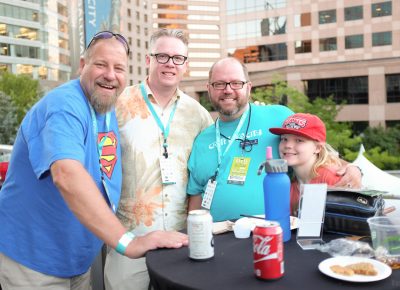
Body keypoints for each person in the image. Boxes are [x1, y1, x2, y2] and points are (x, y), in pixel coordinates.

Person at [0, 31, 187, 290]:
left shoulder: (106, 106)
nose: (110, 75)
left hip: (77, 260)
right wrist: (127, 242)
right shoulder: (64, 105)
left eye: (119, 68)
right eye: (101, 64)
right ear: (82, 65)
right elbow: (67, 174)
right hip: (35, 261)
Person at [187, 57, 362, 222]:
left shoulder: (278, 116)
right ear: (208, 88)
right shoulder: (202, 140)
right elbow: (195, 197)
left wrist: (352, 168)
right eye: (219, 84)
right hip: (218, 237)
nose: (227, 90)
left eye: (236, 83)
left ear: (248, 87)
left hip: (271, 231)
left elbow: (315, 150)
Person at [103, 29, 213, 290]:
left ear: (185, 65)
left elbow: (209, 167)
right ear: (148, 60)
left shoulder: (198, 114)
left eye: (177, 58)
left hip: (179, 243)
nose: (169, 64)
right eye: (162, 56)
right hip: (128, 242)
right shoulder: (116, 103)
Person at [269, 113, 343, 216]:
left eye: (299, 140)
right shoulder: (290, 185)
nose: (288, 145)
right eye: (284, 139)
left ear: (317, 148)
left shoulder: (331, 178)